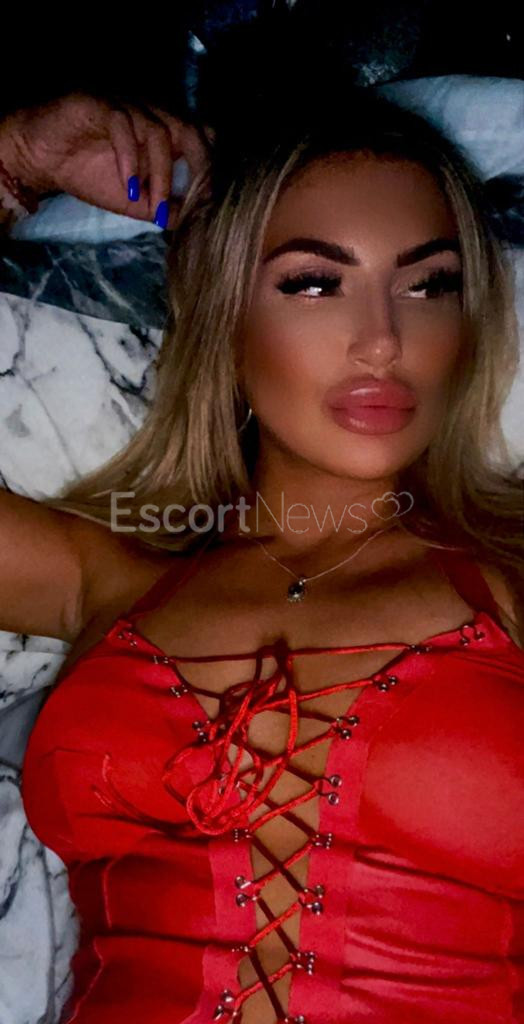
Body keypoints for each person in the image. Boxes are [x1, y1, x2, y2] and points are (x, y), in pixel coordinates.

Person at [1, 82, 523, 1023]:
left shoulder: (512, 582)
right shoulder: (103, 583)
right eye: (314, 282)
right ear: (222, 312)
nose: (382, 340)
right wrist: (14, 164)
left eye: (429, 284)